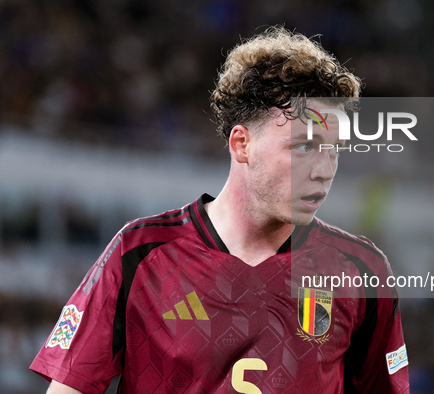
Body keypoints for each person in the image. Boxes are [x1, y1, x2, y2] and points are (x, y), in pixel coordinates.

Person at [30, 26, 409, 393]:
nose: (324, 170)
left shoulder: (359, 271)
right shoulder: (140, 253)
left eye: (334, 150)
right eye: (304, 147)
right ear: (242, 144)